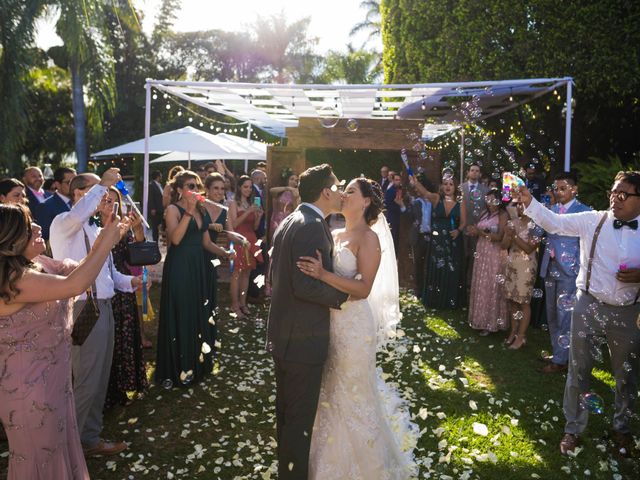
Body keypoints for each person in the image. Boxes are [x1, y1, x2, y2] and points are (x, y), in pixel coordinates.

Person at [296, 177, 418, 478]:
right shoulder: (333, 232)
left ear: (365, 202)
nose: (343, 195)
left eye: (350, 191)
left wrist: (323, 274)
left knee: (352, 391)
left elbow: (363, 289)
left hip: (354, 327)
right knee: (329, 390)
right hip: (328, 323)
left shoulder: (369, 239)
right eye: (344, 190)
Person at [518, 171, 640, 457]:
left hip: (628, 313)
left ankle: (621, 428)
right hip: (588, 305)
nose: (615, 198)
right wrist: (530, 202)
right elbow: (555, 223)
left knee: (627, 375)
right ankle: (573, 429)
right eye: (613, 191)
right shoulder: (593, 220)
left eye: (623, 194)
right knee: (578, 371)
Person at [0, 202, 125, 479]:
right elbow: (74, 285)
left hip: (53, 380)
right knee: (40, 460)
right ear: (9, 238)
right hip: (29, 391)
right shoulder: (12, 280)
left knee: (58, 450)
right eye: (26, 223)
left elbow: (78, 271)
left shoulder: (36, 264)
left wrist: (105, 234)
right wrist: (106, 240)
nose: (35, 226)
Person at [267, 164, 349, 479]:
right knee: (298, 422)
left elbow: (282, 277)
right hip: (303, 339)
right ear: (326, 192)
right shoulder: (313, 225)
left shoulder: (290, 219)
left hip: (285, 334)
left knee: (287, 418)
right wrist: (345, 296)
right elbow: (305, 285)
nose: (341, 192)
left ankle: (287, 472)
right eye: (338, 186)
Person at [49, 168, 138, 457]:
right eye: (98, 194)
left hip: (105, 306)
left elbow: (108, 275)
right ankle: (67, 448)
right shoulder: (64, 223)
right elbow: (79, 215)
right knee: (85, 378)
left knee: (99, 376)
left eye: (109, 198)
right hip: (83, 307)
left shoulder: (97, 229)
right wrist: (104, 183)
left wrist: (130, 282)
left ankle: (89, 438)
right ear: (77, 195)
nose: (105, 201)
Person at [156, 171, 234, 387]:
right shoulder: (173, 209)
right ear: (179, 189)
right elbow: (176, 239)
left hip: (199, 266)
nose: (195, 189)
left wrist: (225, 253)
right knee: (182, 311)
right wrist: (188, 212)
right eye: (190, 185)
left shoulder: (202, 209)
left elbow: (206, 242)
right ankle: (177, 366)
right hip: (180, 267)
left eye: (197, 185)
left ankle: (197, 363)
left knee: (198, 311)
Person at [539, 172, 591, 374]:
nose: (558, 192)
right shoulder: (551, 209)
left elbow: (585, 244)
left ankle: (561, 361)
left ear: (574, 189)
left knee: (565, 316)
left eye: (563, 188)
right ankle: (558, 352)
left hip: (570, 272)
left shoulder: (583, 212)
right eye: (556, 188)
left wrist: (578, 268)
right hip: (550, 268)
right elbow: (538, 233)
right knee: (551, 313)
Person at [101, 187, 149, 408]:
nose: (110, 205)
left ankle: (123, 386)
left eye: (114, 201)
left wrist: (138, 229)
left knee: (125, 337)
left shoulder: (122, 224)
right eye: (107, 201)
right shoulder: (91, 225)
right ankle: (106, 390)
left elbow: (135, 253)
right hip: (101, 283)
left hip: (123, 283)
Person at [413, 175, 467, 309]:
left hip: (453, 239)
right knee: (437, 267)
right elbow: (425, 192)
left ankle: (449, 300)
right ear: (442, 187)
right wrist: (416, 182)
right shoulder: (437, 199)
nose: (448, 186)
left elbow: (464, 222)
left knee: (451, 269)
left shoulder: (460, 203)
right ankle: (435, 299)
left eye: (451, 184)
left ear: (455, 187)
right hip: (437, 239)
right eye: (445, 184)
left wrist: (458, 230)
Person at [466, 188, 509, 335]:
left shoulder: (503, 215)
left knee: (492, 285)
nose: (490, 203)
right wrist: (473, 231)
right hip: (482, 252)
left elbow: (500, 237)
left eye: (493, 200)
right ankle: (480, 319)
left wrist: (480, 233)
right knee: (481, 283)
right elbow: (479, 230)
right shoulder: (485, 213)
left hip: (494, 253)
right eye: (488, 200)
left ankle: (491, 322)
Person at [501, 201, 542, 349]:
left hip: (526, 266)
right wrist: (507, 234)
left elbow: (530, 248)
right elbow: (504, 246)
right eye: (518, 205)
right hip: (512, 263)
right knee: (512, 300)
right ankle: (513, 332)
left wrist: (514, 236)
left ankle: (521, 337)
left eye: (523, 205)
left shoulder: (536, 225)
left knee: (523, 302)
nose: (519, 207)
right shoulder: (513, 222)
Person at [228, 175, 263, 318]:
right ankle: (234, 304)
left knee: (247, 273)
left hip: (250, 239)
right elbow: (234, 224)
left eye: (250, 187)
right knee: (237, 273)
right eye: (245, 187)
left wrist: (258, 216)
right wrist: (248, 212)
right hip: (238, 240)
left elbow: (254, 227)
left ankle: (243, 303)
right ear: (239, 188)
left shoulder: (250, 204)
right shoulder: (233, 203)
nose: (248, 189)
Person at [461, 163, 488, 289]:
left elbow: (487, 211)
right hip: (462, 228)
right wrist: (464, 225)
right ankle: (460, 286)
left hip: (478, 231)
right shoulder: (460, 188)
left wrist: (476, 227)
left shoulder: (485, 190)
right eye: (472, 170)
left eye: (477, 171)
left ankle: (470, 286)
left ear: (480, 174)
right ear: (468, 173)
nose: (474, 173)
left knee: (474, 260)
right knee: (462, 258)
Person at [408, 173, 433, 297]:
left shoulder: (432, 202)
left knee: (429, 264)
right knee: (417, 264)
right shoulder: (415, 202)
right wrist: (402, 206)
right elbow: (409, 216)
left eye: (420, 187)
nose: (417, 190)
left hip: (431, 236)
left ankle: (428, 290)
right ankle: (418, 291)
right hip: (418, 238)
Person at [39, 167, 77, 241]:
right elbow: (46, 237)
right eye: (69, 183)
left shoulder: (80, 202)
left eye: (76, 182)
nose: (74, 186)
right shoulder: (45, 206)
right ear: (57, 184)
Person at [269, 168, 300, 241]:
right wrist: (287, 188)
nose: (294, 182)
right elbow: (271, 191)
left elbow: (296, 209)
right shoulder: (280, 191)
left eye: (296, 180)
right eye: (291, 179)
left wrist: (294, 198)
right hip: (276, 219)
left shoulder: (297, 193)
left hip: (288, 219)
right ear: (286, 180)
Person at [383, 173, 406, 254]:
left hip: (398, 217)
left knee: (397, 237)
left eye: (399, 180)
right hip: (392, 217)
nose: (398, 181)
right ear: (393, 181)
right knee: (393, 236)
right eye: (396, 180)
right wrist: (400, 207)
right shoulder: (390, 190)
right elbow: (388, 205)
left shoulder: (400, 189)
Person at [148, 170, 165, 242]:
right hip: (156, 210)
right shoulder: (151, 185)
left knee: (163, 226)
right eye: (160, 175)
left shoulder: (160, 185)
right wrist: (152, 208)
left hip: (161, 209)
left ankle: (162, 241)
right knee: (155, 228)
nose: (161, 177)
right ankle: (155, 243)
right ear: (158, 176)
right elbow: (150, 197)